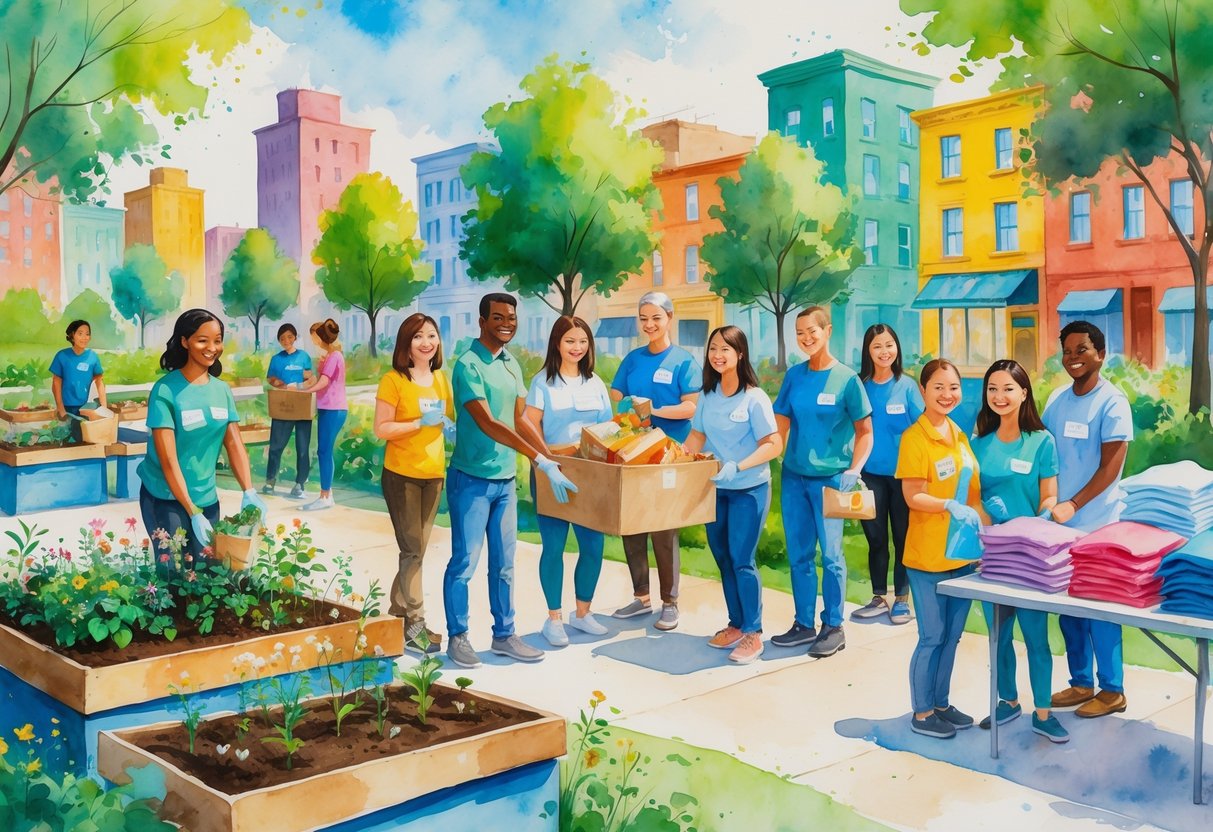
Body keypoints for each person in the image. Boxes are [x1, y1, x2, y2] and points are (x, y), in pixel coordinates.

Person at [443, 293, 577, 668]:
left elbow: (521, 419)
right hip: (471, 480)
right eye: (498, 317)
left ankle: (504, 635)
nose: (507, 323)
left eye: (512, 317)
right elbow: (489, 423)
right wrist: (536, 457)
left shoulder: (511, 364)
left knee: (504, 564)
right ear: (482, 320)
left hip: (504, 483)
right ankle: (458, 637)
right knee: (465, 563)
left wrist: (549, 459)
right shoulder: (468, 365)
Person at [971, 359, 1068, 743]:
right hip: (993, 555)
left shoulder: (1042, 442)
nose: (1000, 396)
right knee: (998, 635)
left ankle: (1042, 713)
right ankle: (1008, 701)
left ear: (1024, 393)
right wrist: (991, 520)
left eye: (1008, 388)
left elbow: (1050, 496)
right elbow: (974, 496)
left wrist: (1035, 523)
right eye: (992, 389)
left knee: (1036, 638)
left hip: (1030, 558)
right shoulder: (978, 444)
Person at [1043, 321, 1133, 719]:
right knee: (1069, 610)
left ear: (1100, 353)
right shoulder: (1057, 400)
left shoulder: (1113, 402)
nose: (1073, 359)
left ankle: (1112, 690)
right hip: (1060, 525)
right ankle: (1081, 682)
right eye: (1067, 351)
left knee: (1100, 609)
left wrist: (1074, 504)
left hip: (1098, 523)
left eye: (1082, 350)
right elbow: (1042, 455)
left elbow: (1112, 466)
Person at [772, 306, 872, 658]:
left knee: (831, 556)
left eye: (812, 331)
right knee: (799, 555)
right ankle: (803, 624)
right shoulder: (794, 377)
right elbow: (780, 423)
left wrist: (854, 471)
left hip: (831, 480)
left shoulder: (847, 379)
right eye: (800, 333)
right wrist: (770, 453)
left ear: (827, 330)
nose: (806, 338)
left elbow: (865, 432)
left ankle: (833, 625)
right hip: (795, 478)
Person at [896, 358, 988, 739]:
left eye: (953, 388)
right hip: (928, 556)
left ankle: (941, 704)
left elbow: (973, 494)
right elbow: (911, 495)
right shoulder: (915, 439)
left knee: (952, 637)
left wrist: (987, 528)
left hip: (962, 555)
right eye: (938, 387)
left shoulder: (959, 435)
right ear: (923, 391)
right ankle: (921, 713)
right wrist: (947, 505)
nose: (947, 395)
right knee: (931, 635)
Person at [137, 309, 267, 571]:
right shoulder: (166, 390)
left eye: (217, 340)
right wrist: (191, 510)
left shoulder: (221, 391)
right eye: (202, 340)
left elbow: (234, 444)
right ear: (184, 341)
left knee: (207, 573)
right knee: (173, 574)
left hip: (206, 498)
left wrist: (248, 490)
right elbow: (168, 459)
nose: (212, 348)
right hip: (165, 497)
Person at [683, 326, 782, 664]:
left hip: (748, 489)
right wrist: (680, 460)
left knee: (742, 559)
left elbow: (773, 444)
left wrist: (738, 467)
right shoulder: (707, 395)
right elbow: (696, 436)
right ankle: (736, 624)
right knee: (723, 558)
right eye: (713, 348)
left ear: (740, 354)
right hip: (716, 490)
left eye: (726, 349)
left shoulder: (754, 397)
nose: (718, 355)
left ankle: (754, 634)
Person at [609, 291, 701, 631]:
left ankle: (670, 603)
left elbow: (692, 407)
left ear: (670, 318)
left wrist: (654, 412)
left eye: (656, 318)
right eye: (644, 318)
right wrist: (628, 414)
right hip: (634, 454)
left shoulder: (683, 361)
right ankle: (641, 597)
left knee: (664, 530)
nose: (649, 325)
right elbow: (616, 400)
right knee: (631, 526)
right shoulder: (632, 359)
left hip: (667, 456)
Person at [521, 315, 614, 647]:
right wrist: (547, 464)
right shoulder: (542, 383)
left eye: (583, 342)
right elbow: (529, 428)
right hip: (552, 471)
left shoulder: (596, 384)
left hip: (589, 471)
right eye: (570, 341)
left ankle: (583, 612)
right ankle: (554, 619)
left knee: (593, 546)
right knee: (555, 547)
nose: (577, 348)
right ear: (556, 344)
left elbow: (609, 429)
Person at [374, 313, 454, 655]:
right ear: (406, 344)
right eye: (419, 336)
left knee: (416, 552)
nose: (427, 342)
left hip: (433, 474)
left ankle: (398, 612)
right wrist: (419, 422)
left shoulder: (441, 379)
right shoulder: (393, 381)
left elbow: (445, 419)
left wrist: (447, 426)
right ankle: (415, 624)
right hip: (401, 475)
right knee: (412, 551)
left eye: (432, 336)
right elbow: (382, 429)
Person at [853, 323, 923, 626]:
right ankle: (879, 596)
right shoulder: (860, 385)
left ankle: (902, 600)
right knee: (876, 538)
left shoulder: (907, 386)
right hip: (870, 475)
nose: (885, 352)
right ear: (868, 351)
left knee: (904, 537)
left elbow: (923, 427)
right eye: (877, 346)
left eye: (889, 345)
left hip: (904, 476)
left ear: (897, 348)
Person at [299, 319, 347, 511]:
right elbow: (320, 380)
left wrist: (304, 392)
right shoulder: (331, 356)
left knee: (324, 451)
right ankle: (327, 494)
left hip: (333, 409)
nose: (314, 341)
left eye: (314, 337)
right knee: (324, 451)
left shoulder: (334, 356)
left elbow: (324, 383)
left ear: (321, 337)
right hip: (329, 408)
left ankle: (325, 495)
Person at [262, 323, 314, 498]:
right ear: (279, 340)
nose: (286, 341)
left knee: (302, 447)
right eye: (282, 338)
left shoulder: (304, 357)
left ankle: (300, 484)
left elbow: (311, 379)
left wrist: (297, 386)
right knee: (276, 446)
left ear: (295, 337)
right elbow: (270, 378)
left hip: (301, 404)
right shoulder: (276, 359)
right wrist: (282, 385)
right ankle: (270, 480)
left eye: (290, 337)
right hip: (283, 405)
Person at [50, 319, 108, 443]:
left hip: (85, 408)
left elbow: (99, 382)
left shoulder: (92, 356)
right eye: (80, 333)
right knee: (66, 441)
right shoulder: (62, 356)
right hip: (67, 409)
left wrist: (104, 407)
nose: (84, 337)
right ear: (72, 335)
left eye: (87, 334)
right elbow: (56, 383)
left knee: (84, 440)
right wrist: (60, 409)